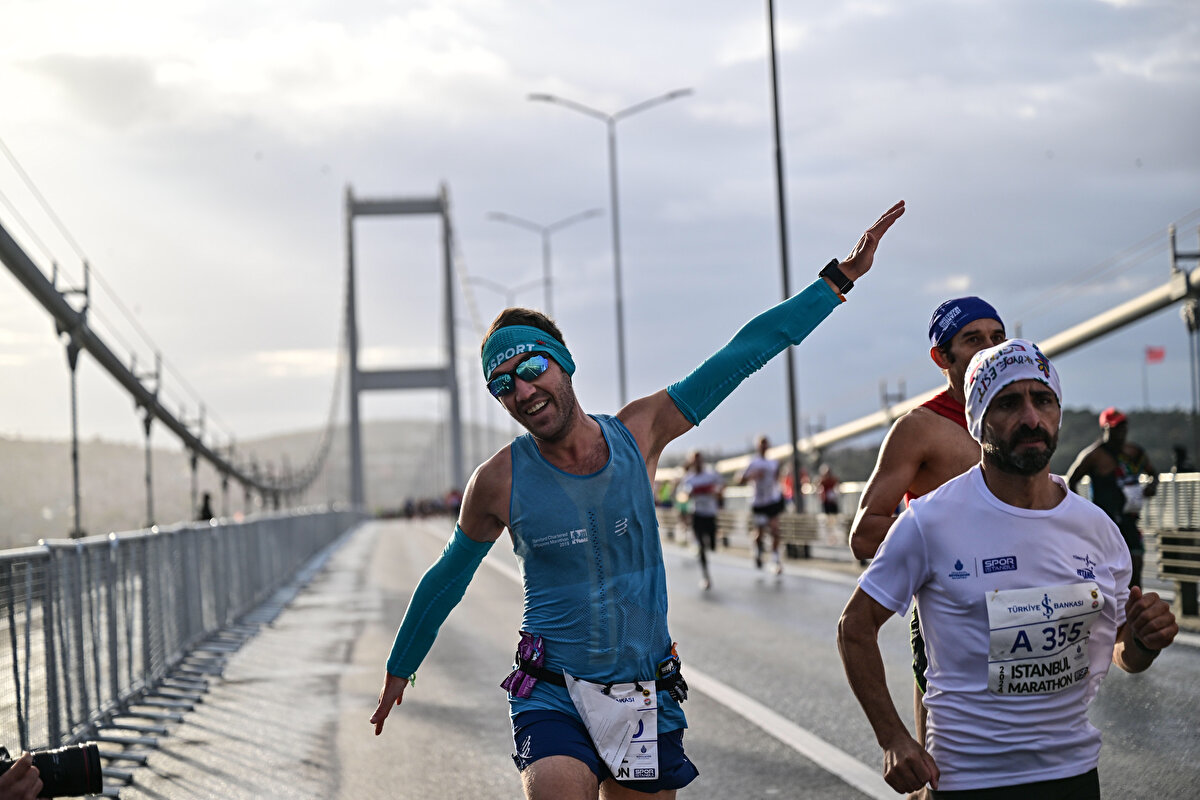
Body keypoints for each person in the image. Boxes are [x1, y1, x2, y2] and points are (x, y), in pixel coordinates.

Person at [369, 201, 906, 800]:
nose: (523, 391)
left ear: (564, 365)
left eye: (533, 368)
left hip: (641, 691)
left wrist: (838, 280)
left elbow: (741, 354)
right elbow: (447, 577)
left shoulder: (639, 433)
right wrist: (401, 664)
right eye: (504, 386)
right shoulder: (497, 482)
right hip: (552, 688)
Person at [837, 339, 1178, 797]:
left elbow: (1122, 652)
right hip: (968, 780)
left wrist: (1142, 640)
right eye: (1008, 403)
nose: (1031, 418)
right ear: (978, 421)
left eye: (1043, 400)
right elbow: (855, 626)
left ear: (1058, 413)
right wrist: (893, 738)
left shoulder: (1097, 530)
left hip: (1072, 773)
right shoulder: (930, 521)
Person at [847, 296, 1005, 767]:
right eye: (972, 339)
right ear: (942, 357)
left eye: (998, 337)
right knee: (940, 765)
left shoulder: (1022, 417)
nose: (989, 348)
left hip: (1020, 603)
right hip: (947, 614)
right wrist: (946, 539)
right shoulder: (920, 428)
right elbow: (864, 532)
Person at [1066, 408, 1159, 590]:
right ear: (1105, 429)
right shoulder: (1094, 455)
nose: (1120, 433)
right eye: (1115, 428)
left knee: (1136, 563)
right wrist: (1081, 510)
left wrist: (1151, 486)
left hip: (1129, 517)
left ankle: (1134, 607)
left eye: (1123, 427)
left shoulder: (1134, 452)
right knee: (1109, 569)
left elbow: (1153, 473)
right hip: (1105, 521)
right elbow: (1071, 481)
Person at [737, 436, 785, 575]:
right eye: (761, 445)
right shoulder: (752, 463)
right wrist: (751, 476)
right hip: (758, 503)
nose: (764, 447)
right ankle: (757, 550)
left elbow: (777, 479)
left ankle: (775, 559)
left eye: (766, 444)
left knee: (775, 530)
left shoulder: (773, 463)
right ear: (758, 447)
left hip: (772, 500)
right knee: (761, 532)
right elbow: (739, 480)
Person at [682, 450, 724, 589]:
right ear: (691, 462)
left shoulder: (711, 475)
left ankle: (710, 543)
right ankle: (706, 576)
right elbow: (682, 497)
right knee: (701, 546)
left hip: (710, 514)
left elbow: (722, 488)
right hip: (697, 514)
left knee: (711, 545)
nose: (698, 462)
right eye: (695, 460)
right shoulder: (688, 479)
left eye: (699, 459)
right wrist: (689, 495)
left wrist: (715, 493)